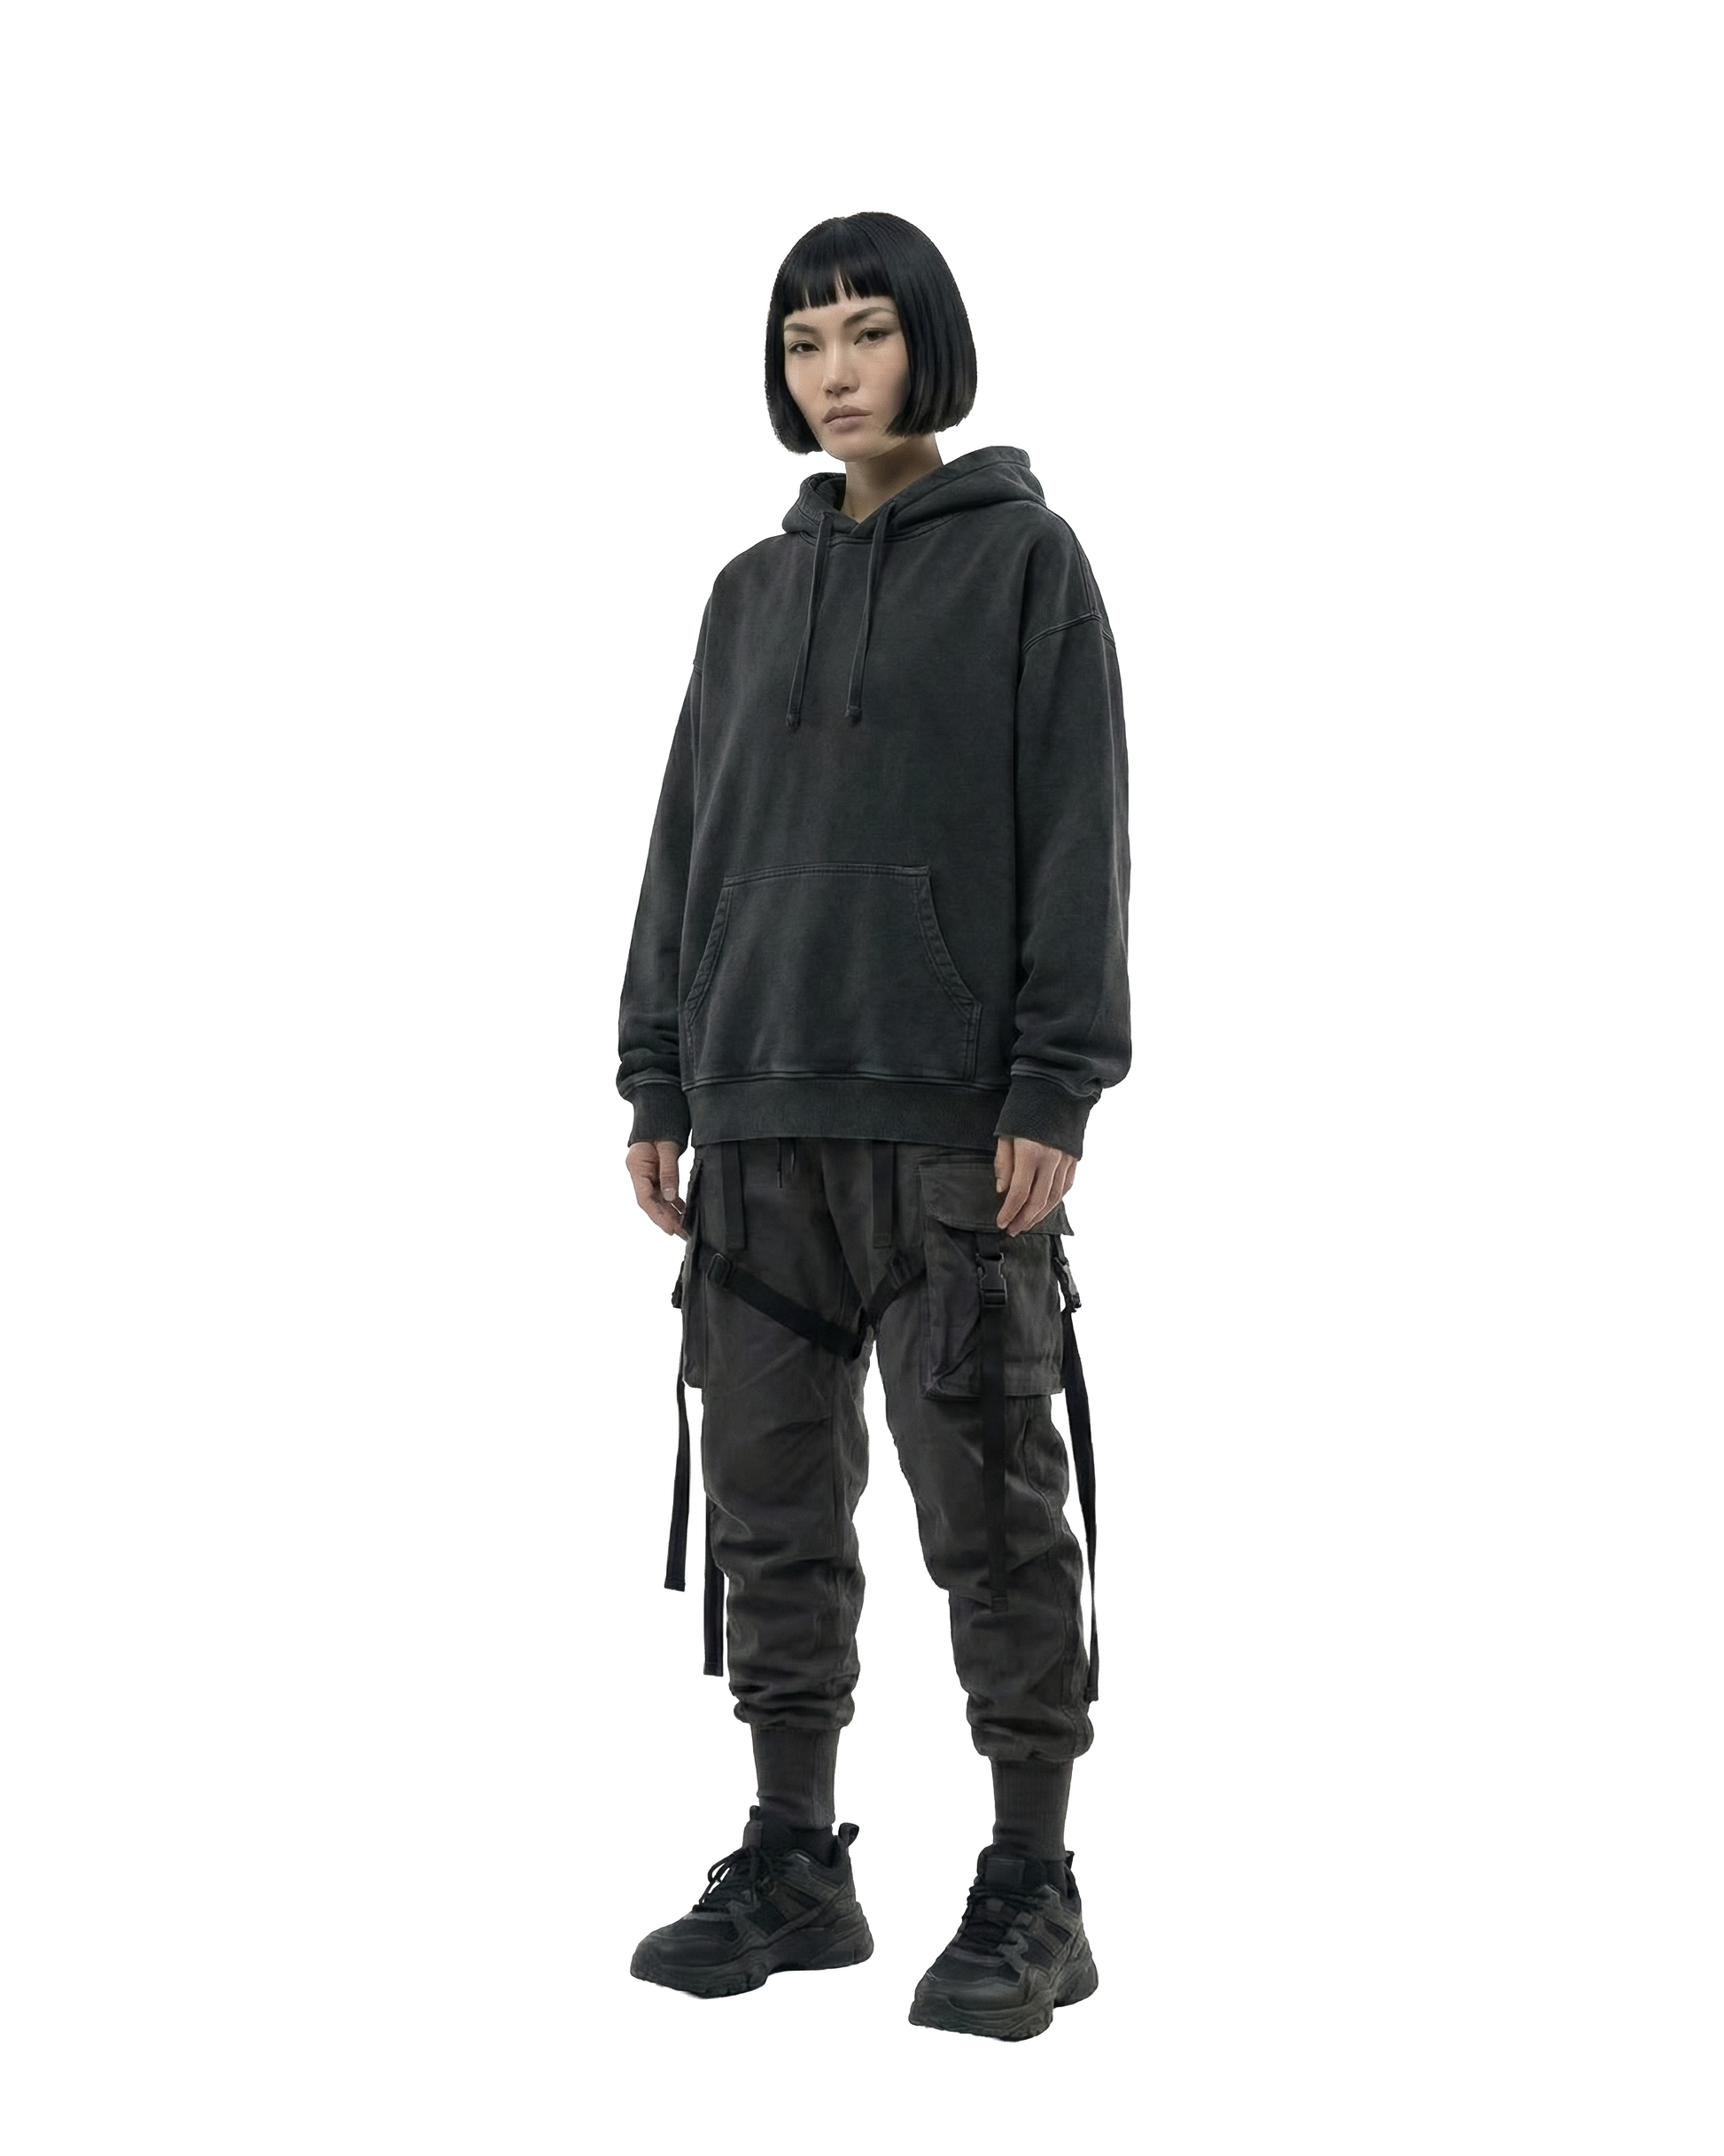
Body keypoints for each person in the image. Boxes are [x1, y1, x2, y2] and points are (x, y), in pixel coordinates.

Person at [615, 210, 1130, 2042]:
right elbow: (689, 836)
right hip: (757, 1123)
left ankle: (1032, 1882)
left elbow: (1080, 829)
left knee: (989, 1511)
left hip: (947, 1133)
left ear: (930, 346)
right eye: (802, 340)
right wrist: (657, 1070)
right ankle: (794, 1858)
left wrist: (1053, 1079)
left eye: (866, 332)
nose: (833, 372)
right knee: (770, 1511)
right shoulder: (746, 594)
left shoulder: (1025, 565)